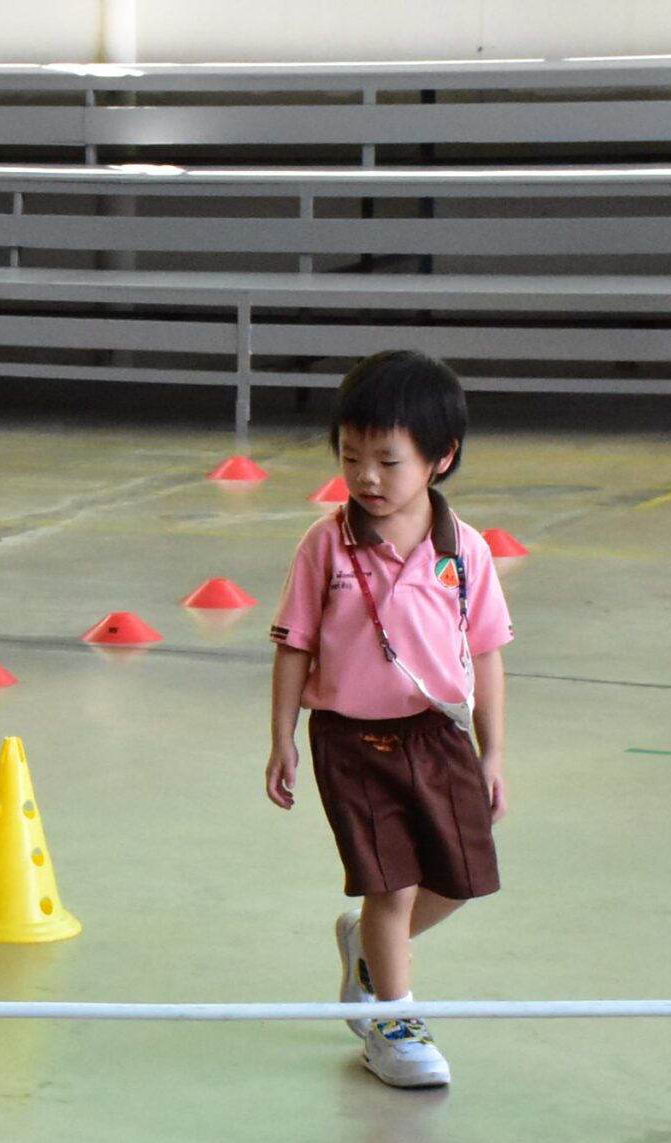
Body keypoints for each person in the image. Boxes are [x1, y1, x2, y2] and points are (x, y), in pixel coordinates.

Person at [265, 350, 514, 1090]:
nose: (366, 477)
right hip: (351, 738)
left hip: (438, 733)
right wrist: (281, 738)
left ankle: (370, 951)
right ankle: (393, 1021)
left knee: (461, 877)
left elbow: (487, 654)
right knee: (392, 883)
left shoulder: (466, 552)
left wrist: (493, 750)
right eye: (351, 457)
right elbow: (294, 646)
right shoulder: (325, 545)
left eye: (387, 461)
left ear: (442, 458)